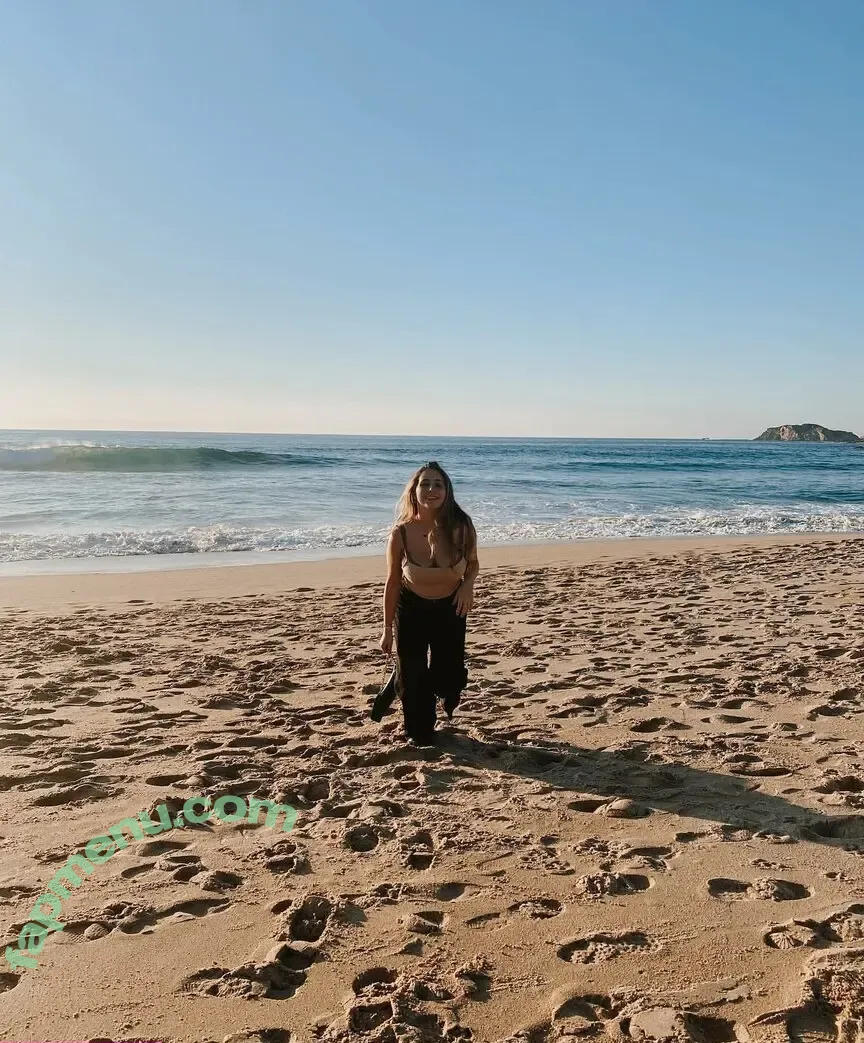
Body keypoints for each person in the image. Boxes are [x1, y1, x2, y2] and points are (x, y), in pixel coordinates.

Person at [377, 461, 479, 746]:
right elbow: (392, 582)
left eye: (438, 484)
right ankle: (419, 729)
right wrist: (387, 629)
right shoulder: (400, 533)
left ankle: (414, 677)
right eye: (425, 484)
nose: (431, 489)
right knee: (413, 678)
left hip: (451, 607)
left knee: (449, 678)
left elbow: (473, 563)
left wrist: (467, 586)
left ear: (447, 491)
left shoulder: (461, 526)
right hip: (411, 608)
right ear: (414, 491)